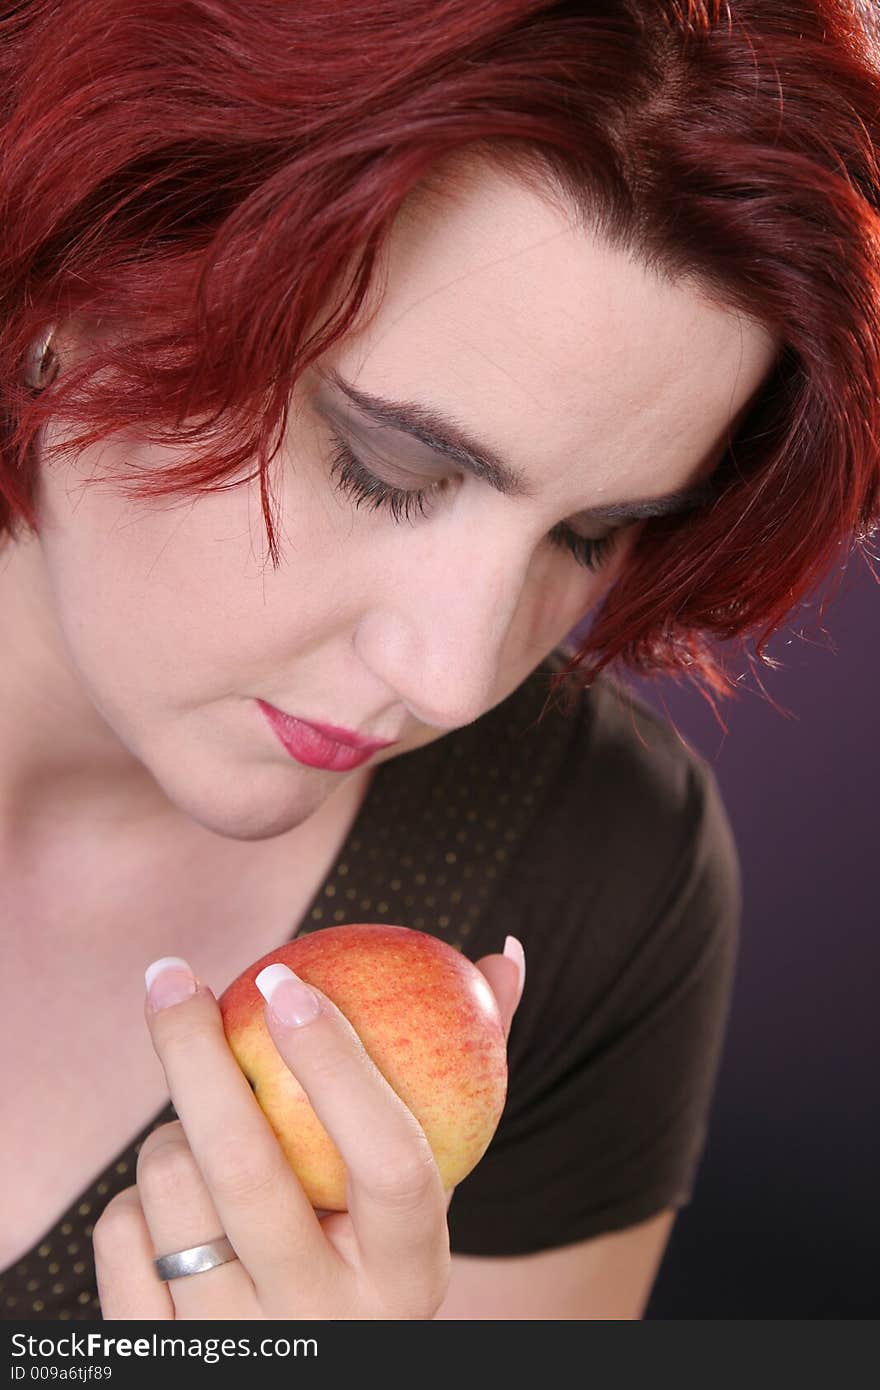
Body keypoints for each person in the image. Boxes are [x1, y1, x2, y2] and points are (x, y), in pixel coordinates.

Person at [1, 0, 878, 1322]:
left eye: (591, 533)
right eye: (387, 463)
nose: (457, 679)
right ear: (82, 265)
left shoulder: (595, 873)